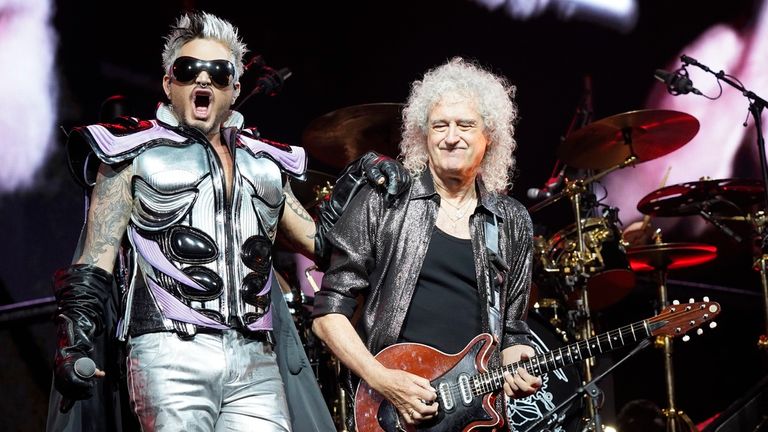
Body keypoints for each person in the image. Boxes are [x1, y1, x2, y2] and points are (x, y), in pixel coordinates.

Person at [47, 11, 409, 432]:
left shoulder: (266, 163)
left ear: (234, 89)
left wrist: (358, 178)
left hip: (256, 357)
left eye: (218, 73)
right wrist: (75, 343)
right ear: (169, 83)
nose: (203, 81)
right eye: (189, 70)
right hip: (169, 351)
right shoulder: (130, 154)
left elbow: (324, 246)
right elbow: (95, 260)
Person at [312, 57, 542, 430]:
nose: (452, 137)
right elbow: (328, 315)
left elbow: (513, 330)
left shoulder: (512, 220)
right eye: (440, 125)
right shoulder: (384, 200)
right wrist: (381, 378)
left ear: (490, 135)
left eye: (465, 125)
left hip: (475, 416)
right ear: (424, 135)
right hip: (392, 410)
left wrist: (517, 361)